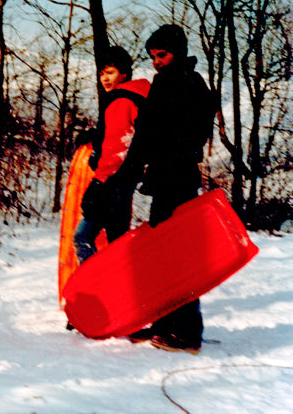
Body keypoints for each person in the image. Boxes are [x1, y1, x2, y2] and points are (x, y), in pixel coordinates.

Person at [126, 25, 216, 353]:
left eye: (161, 55)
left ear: (176, 52)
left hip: (175, 179)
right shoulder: (178, 82)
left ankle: (188, 333)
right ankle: (165, 324)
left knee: (177, 256)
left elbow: (159, 133)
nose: (156, 62)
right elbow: (149, 131)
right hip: (169, 177)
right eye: (152, 57)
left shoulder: (183, 83)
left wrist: (159, 155)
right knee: (164, 255)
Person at [72, 46, 150, 263]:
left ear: (124, 74)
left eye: (111, 72)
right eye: (102, 73)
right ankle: (122, 292)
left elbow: (117, 149)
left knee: (83, 237)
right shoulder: (136, 97)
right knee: (117, 243)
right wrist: (96, 135)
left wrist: (97, 185)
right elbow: (123, 135)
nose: (105, 78)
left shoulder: (121, 101)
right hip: (126, 182)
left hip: (111, 183)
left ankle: (97, 291)